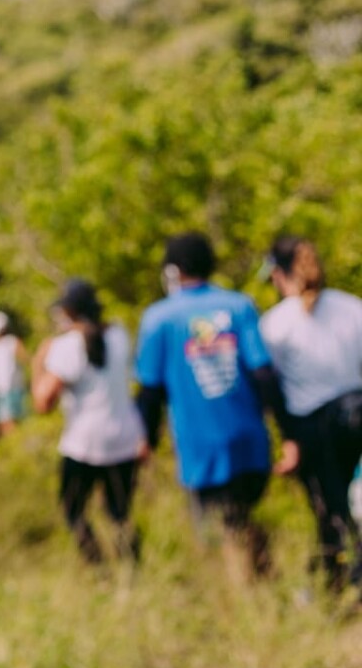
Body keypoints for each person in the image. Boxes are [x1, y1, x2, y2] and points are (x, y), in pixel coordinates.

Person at [136, 232, 293, 581]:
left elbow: (150, 391)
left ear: (174, 271)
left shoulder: (159, 318)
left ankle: (248, 602)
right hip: (250, 440)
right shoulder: (239, 305)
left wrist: (144, 438)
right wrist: (288, 434)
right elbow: (264, 374)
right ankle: (265, 584)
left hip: (200, 447)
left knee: (220, 530)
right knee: (240, 518)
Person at [259, 236, 362, 591]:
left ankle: (344, 582)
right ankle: (330, 581)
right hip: (355, 416)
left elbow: (268, 385)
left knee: (330, 508)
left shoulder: (275, 323)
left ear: (278, 274)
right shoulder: (352, 307)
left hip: (313, 428)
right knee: (341, 504)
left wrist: (286, 439)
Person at [31, 280, 145, 564]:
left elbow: (43, 403)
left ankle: (98, 567)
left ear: (67, 311)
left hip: (84, 442)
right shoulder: (119, 335)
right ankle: (131, 567)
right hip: (124, 436)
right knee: (120, 513)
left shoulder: (65, 347)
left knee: (73, 510)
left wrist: (38, 364)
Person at [0, 310, 28, 434]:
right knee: (14, 421)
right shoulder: (12, 341)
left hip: (0, 389)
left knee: (5, 421)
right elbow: (26, 361)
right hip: (13, 387)